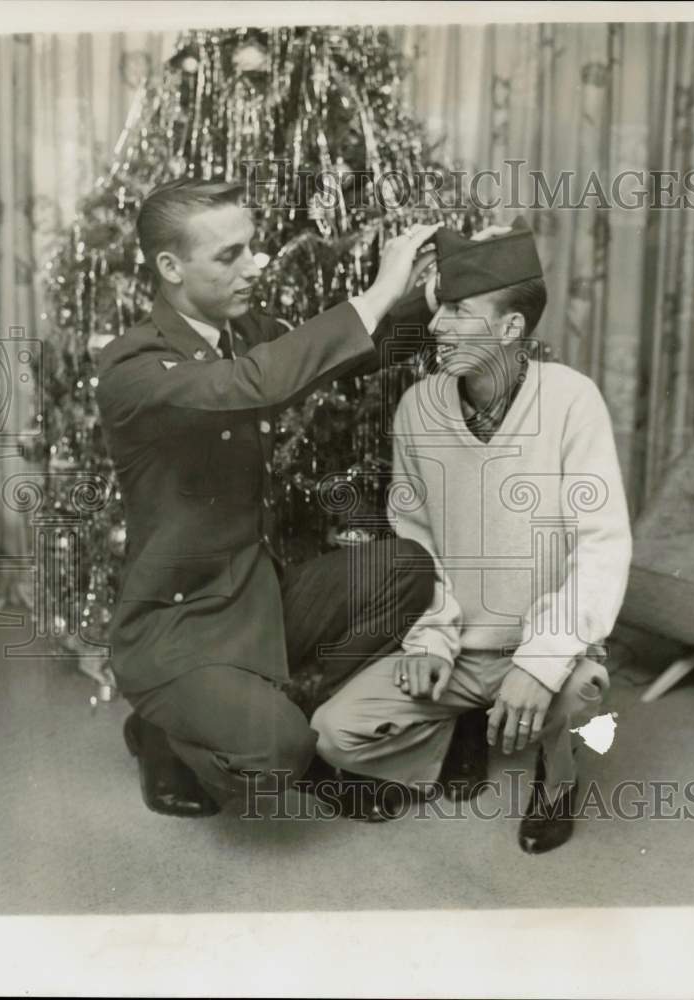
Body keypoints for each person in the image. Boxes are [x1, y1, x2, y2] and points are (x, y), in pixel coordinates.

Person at [96, 176, 443, 818]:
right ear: (170, 267)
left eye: (251, 247)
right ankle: (164, 733)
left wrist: (430, 295)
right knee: (275, 760)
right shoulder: (132, 368)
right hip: (176, 628)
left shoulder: (242, 332)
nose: (253, 265)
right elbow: (254, 383)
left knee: (408, 570)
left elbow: (350, 355)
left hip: (254, 593)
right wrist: (374, 291)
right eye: (228, 255)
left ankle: (283, 712)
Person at [311, 219, 634, 852]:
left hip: (550, 645)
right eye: (441, 309)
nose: (434, 327)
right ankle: (458, 730)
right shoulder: (418, 409)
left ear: (512, 328)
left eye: (458, 311)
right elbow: (415, 540)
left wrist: (540, 663)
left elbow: (603, 546)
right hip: (459, 650)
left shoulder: (573, 401)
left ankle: (557, 779)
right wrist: (430, 635)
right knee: (333, 733)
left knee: (577, 693)